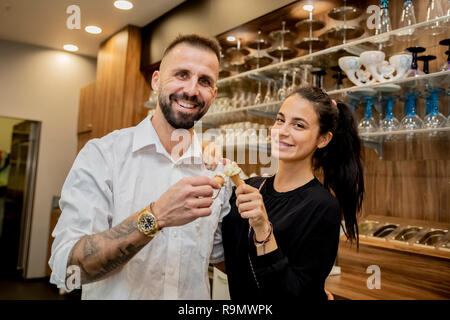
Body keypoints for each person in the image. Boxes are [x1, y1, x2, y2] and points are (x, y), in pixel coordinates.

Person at [49, 34, 233, 299]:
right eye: (182, 74)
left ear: (213, 94)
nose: (192, 90)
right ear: (156, 81)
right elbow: (69, 268)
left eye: (204, 81)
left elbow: (221, 257)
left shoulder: (216, 172)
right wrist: (156, 217)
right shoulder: (104, 156)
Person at [221, 86, 364, 300]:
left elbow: (295, 294)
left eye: (298, 125)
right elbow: (228, 260)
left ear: (323, 139)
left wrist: (262, 227)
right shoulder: (249, 188)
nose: (282, 131)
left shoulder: (322, 206)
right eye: (280, 120)